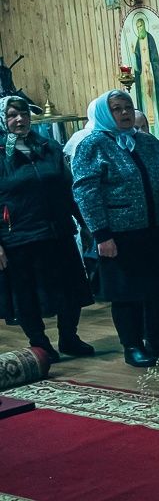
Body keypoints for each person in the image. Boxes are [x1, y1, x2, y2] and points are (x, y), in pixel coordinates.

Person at [72, 90, 159, 368]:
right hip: (120, 234)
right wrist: (101, 234)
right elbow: (86, 192)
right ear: (103, 114)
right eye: (116, 109)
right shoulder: (93, 145)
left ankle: (157, 339)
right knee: (128, 292)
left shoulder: (146, 141)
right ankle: (132, 345)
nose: (124, 113)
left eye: (128, 107)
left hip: (156, 228)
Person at [0, 95, 93, 361]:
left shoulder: (49, 147)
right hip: (19, 236)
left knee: (69, 288)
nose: (20, 119)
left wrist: (86, 226)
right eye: (12, 115)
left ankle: (69, 338)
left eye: (24, 114)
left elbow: (69, 189)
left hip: (58, 231)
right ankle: (40, 344)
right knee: (27, 294)